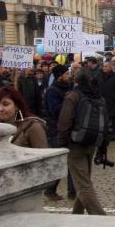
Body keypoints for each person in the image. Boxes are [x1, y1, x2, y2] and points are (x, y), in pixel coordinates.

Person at [57, 70, 108, 215]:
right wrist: (103, 147)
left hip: (75, 145)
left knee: (84, 185)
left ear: (76, 81)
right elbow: (106, 123)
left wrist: (62, 144)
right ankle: (76, 216)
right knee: (84, 182)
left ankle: (102, 218)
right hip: (92, 143)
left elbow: (64, 122)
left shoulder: (73, 96)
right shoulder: (98, 97)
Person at [44, 64, 74, 201]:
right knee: (59, 162)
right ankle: (50, 190)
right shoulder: (52, 91)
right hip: (55, 129)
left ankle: (73, 191)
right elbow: (55, 110)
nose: (69, 76)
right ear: (60, 76)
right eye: (67, 74)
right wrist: (69, 102)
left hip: (68, 128)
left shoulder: (68, 88)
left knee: (71, 161)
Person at [96, 60, 115, 138]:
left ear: (111, 67)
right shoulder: (99, 75)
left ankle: (114, 134)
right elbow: (95, 85)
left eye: (106, 66)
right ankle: (105, 133)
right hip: (102, 100)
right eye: (103, 66)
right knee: (103, 118)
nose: (104, 68)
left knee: (114, 118)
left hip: (113, 101)